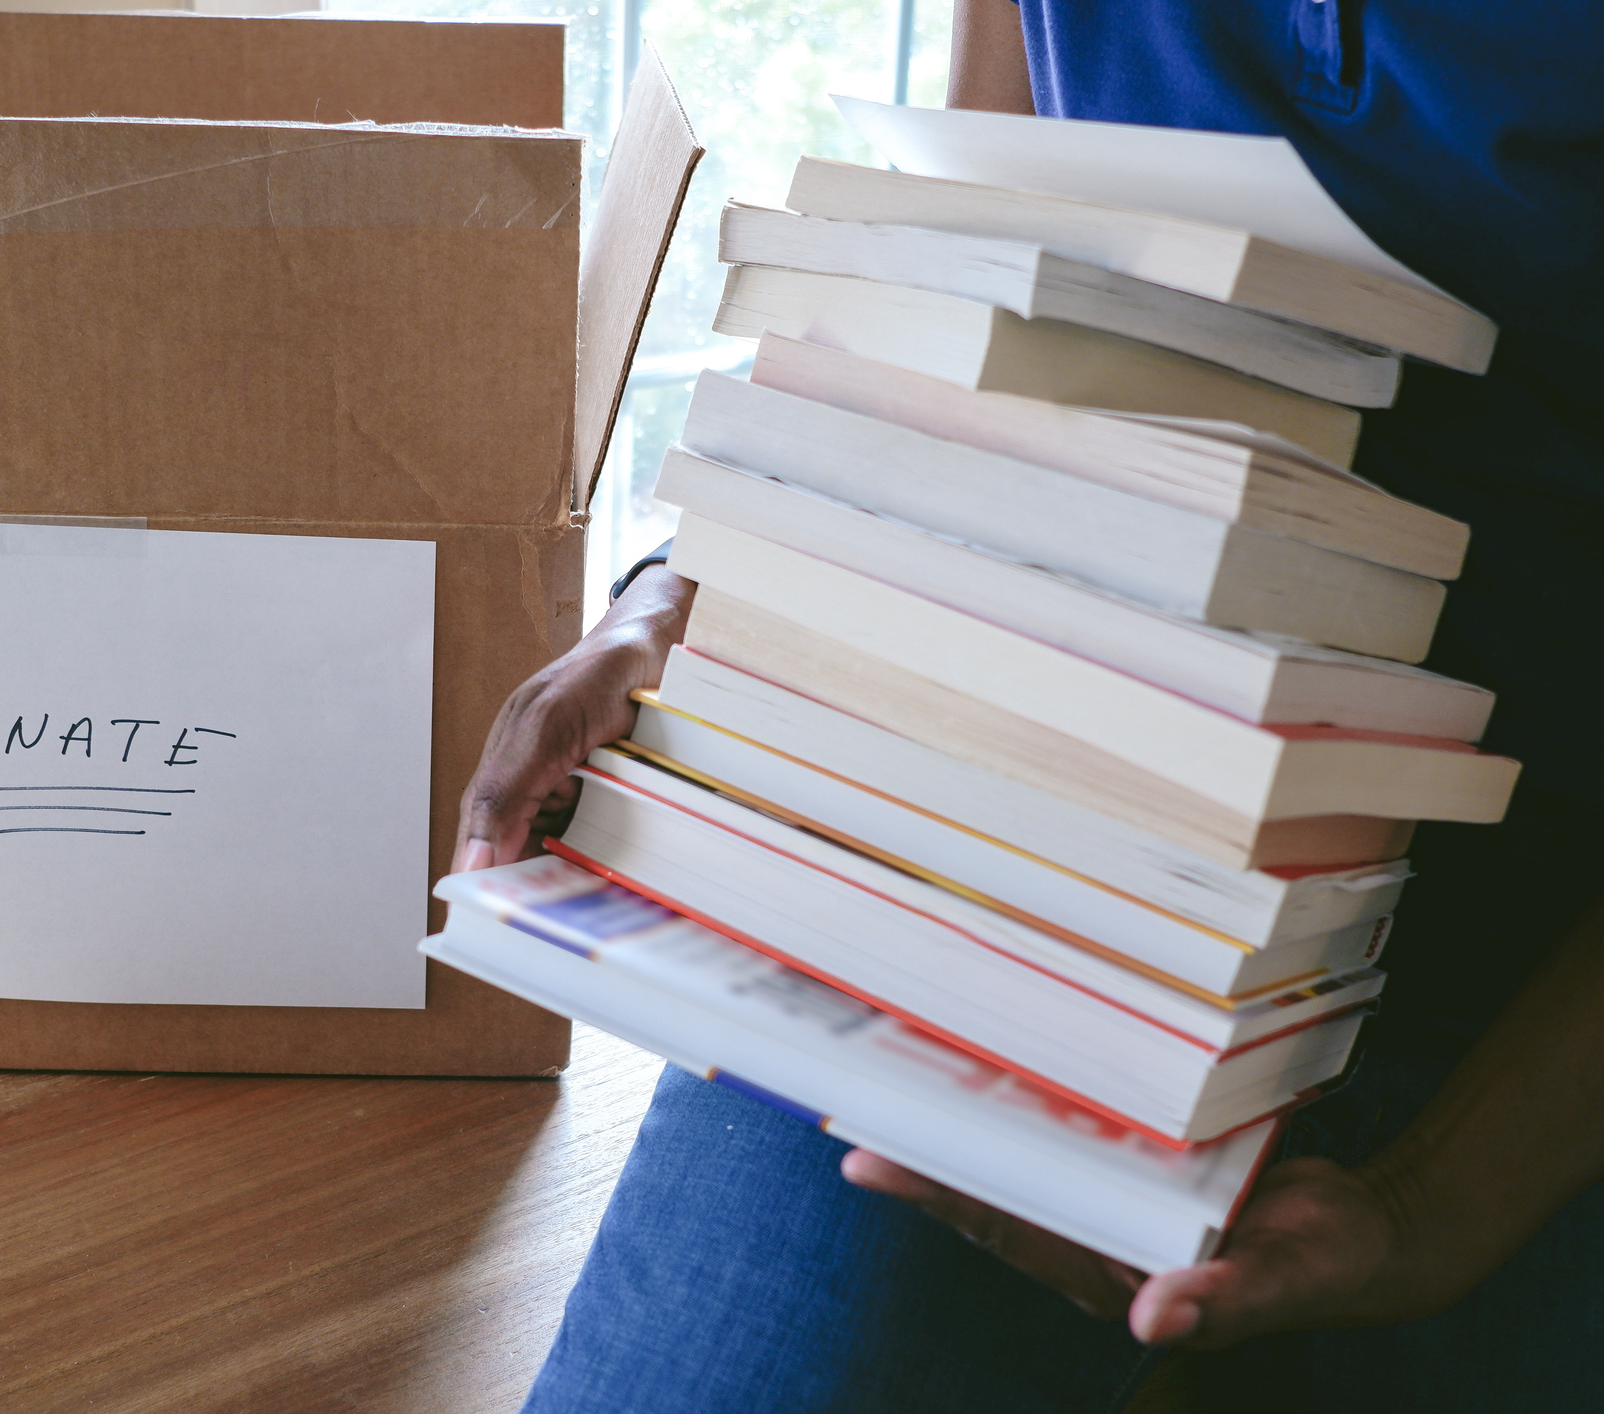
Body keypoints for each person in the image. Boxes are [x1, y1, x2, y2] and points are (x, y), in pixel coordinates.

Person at [450, 3, 1604, 1409]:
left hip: (1548, 941)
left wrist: (1436, 1205)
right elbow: (996, 233)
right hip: (1016, 829)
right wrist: (702, 587)